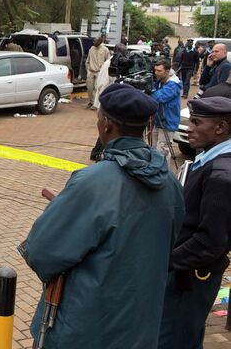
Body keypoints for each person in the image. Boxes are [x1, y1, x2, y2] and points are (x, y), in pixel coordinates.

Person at [19, 84, 184, 349]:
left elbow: (42, 252)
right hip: (141, 325)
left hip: (86, 326)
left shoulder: (91, 182)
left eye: (98, 118)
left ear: (107, 124)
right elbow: (167, 246)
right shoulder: (170, 182)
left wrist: (62, 210)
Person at [157, 97, 231, 349]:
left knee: (173, 338)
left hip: (190, 277)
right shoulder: (210, 159)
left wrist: (164, 262)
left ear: (220, 128)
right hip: (186, 272)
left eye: (197, 123)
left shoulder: (221, 174)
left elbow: (210, 241)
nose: (189, 127)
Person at [151, 59, 182, 161]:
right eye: (155, 70)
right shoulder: (160, 81)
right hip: (158, 120)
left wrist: (149, 90)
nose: (156, 73)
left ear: (167, 71)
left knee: (162, 152)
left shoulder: (173, 84)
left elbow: (159, 98)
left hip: (168, 122)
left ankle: (164, 174)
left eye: (159, 71)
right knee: (154, 150)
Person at [85, 36, 110, 109]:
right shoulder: (91, 49)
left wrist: (104, 72)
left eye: (95, 41)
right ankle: (91, 101)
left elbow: (108, 62)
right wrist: (88, 70)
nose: (93, 42)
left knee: (97, 88)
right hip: (91, 71)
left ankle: (96, 105)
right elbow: (87, 61)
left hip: (99, 72)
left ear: (100, 41)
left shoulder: (105, 50)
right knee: (89, 88)